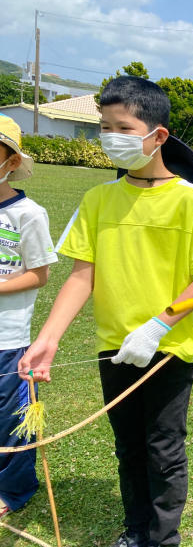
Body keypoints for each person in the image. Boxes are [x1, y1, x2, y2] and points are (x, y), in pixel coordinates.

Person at [18, 76, 193, 547]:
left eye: (122, 127)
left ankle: (161, 539)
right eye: (104, 126)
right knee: (128, 445)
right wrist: (48, 339)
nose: (110, 137)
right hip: (114, 344)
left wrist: (159, 324)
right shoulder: (99, 199)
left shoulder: (189, 200)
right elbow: (81, 275)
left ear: (158, 136)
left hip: (170, 346)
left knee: (162, 447)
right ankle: (136, 529)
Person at [0, 115, 57, 519]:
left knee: (11, 420)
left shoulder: (28, 213)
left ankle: (13, 489)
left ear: (12, 162)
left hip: (8, 339)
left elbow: (40, 274)